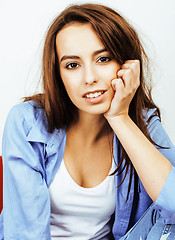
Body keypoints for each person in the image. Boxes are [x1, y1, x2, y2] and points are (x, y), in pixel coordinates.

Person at [0, 3, 175, 240]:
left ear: (126, 65)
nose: (90, 78)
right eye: (72, 65)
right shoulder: (26, 122)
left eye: (103, 59)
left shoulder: (142, 123)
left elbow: (173, 208)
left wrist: (119, 118)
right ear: (58, 74)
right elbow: (25, 233)